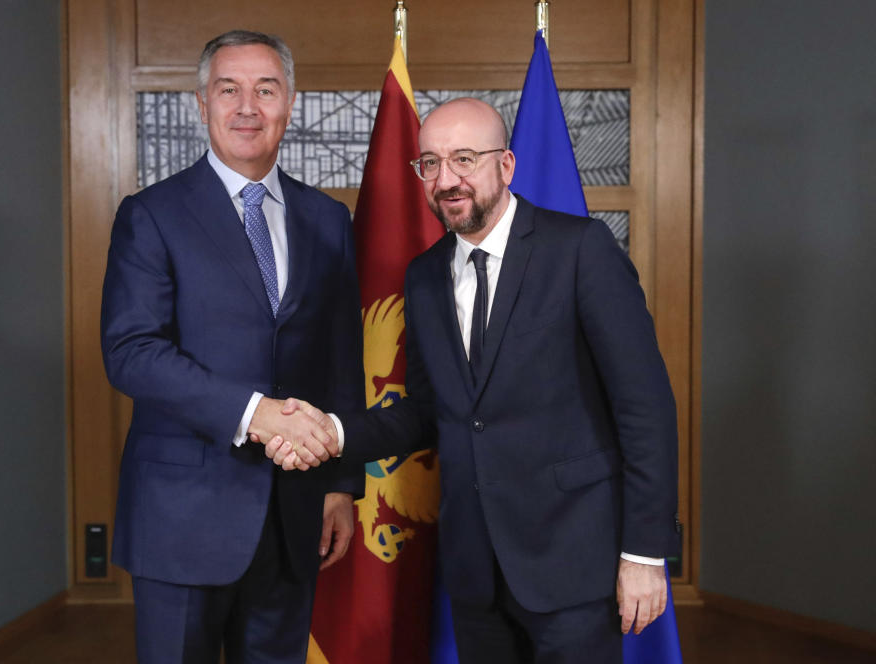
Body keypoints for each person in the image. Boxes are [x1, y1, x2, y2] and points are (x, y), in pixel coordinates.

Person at [262, 98, 680, 664]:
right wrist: (333, 433)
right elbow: (428, 411)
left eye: (464, 158)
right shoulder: (426, 276)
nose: (446, 178)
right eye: (430, 163)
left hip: (574, 562)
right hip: (475, 569)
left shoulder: (580, 250)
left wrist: (645, 553)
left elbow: (645, 408)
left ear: (505, 166)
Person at [100, 30, 364, 664]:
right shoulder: (152, 214)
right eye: (229, 89)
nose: (248, 106)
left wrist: (339, 486)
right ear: (202, 104)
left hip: (294, 511)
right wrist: (254, 413)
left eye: (265, 90)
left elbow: (340, 360)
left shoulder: (327, 219)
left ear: (289, 104)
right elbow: (131, 350)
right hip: (181, 517)